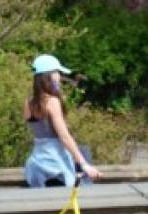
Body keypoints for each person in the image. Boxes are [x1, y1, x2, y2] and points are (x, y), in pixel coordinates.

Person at [23, 54, 102, 187]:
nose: (59, 77)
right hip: (56, 165)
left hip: (37, 164)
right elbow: (64, 137)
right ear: (50, 75)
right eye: (57, 73)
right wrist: (84, 165)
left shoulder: (29, 103)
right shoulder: (52, 102)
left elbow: (40, 132)